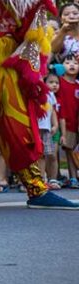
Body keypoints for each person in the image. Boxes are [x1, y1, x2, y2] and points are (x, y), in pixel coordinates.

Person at [58, 54, 79, 188]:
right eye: (67, 62)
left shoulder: (78, 84)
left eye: (75, 63)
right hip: (64, 122)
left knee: (75, 151)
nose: (72, 65)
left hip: (77, 123)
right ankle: (72, 177)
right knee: (69, 150)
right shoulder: (58, 81)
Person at [38, 73, 60, 186]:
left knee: (49, 154)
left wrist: (55, 125)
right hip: (36, 128)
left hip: (46, 129)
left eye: (56, 83)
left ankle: (51, 178)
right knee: (39, 155)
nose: (54, 85)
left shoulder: (50, 95)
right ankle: (41, 178)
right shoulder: (34, 93)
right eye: (51, 82)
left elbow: (53, 112)